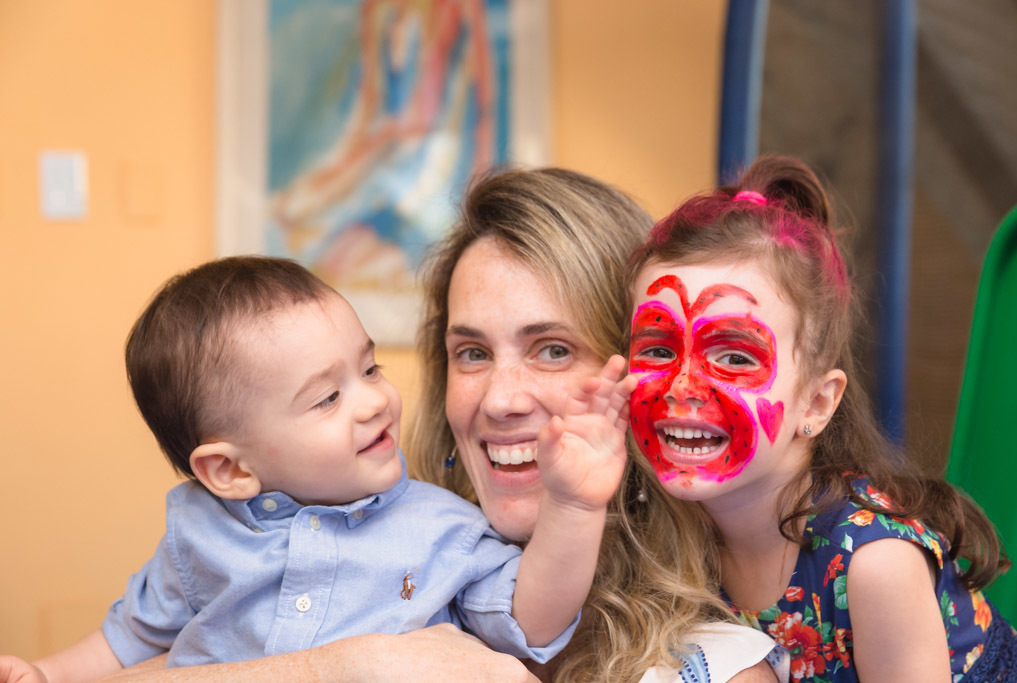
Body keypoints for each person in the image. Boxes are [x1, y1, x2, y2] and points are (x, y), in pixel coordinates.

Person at [57, 168, 785, 682]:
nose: (498, 398)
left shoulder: (707, 666)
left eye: (553, 348)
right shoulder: (288, 544)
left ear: (646, 372)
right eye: (471, 351)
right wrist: (351, 667)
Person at [0, 255, 636, 681]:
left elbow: (532, 618)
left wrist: (574, 508)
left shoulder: (444, 527)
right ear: (228, 469)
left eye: (369, 369)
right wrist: (47, 675)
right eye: (328, 398)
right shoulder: (198, 531)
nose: (375, 401)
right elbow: (129, 636)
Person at [624, 154, 1017, 682]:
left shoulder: (875, 564)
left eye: (736, 357)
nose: (683, 388)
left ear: (816, 403)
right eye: (656, 349)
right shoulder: (670, 529)